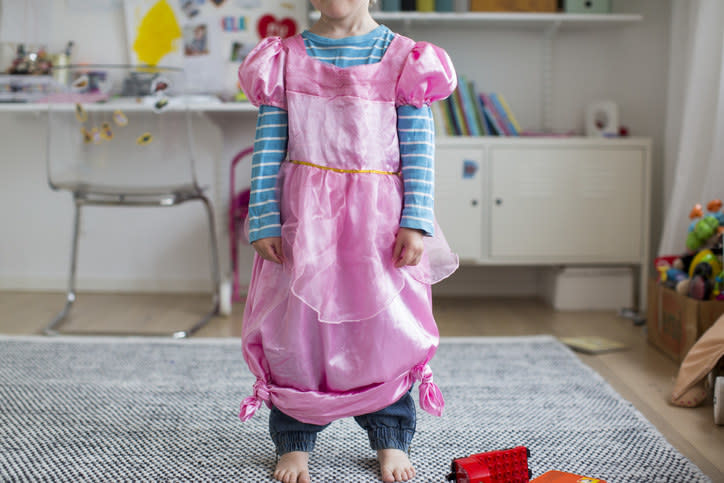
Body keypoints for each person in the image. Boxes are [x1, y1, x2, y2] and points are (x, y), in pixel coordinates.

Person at [237, 0, 458, 481]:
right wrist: (264, 219)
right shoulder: (284, 58)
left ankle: (390, 436)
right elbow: (269, 144)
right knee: (297, 328)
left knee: (384, 327)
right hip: (306, 219)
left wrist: (415, 219)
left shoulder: (406, 59)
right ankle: (294, 439)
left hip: (377, 223)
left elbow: (419, 147)